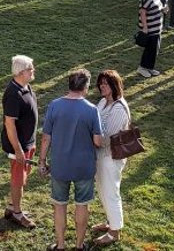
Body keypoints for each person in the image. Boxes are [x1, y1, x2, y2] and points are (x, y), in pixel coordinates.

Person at [40, 70, 103, 251]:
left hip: (60, 166)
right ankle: (79, 245)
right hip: (84, 167)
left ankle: (60, 245)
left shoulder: (54, 106)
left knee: (59, 205)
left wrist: (42, 161)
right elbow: (98, 141)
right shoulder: (92, 110)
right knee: (82, 205)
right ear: (86, 86)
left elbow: (46, 138)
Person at [92, 70, 131, 246]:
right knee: (102, 190)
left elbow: (107, 137)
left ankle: (114, 231)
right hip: (100, 155)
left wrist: (91, 136)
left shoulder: (119, 108)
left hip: (110, 157)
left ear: (114, 85)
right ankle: (110, 222)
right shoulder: (102, 102)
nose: (102, 86)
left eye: (106, 83)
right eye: (100, 83)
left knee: (111, 192)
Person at [2, 55, 39, 229]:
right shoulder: (13, 93)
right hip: (19, 146)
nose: (33, 70)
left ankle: (12, 206)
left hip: (28, 143)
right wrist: (18, 150)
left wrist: (32, 142)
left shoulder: (26, 86)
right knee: (18, 179)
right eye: (30, 68)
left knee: (23, 177)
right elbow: (9, 124)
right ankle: (17, 213)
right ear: (20, 72)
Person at [137, 0, 165, 78]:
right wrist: (145, 27)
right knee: (150, 49)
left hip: (156, 28)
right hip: (150, 29)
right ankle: (142, 67)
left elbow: (157, 7)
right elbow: (142, 12)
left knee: (154, 49)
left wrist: (163, 10)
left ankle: (149, 67)